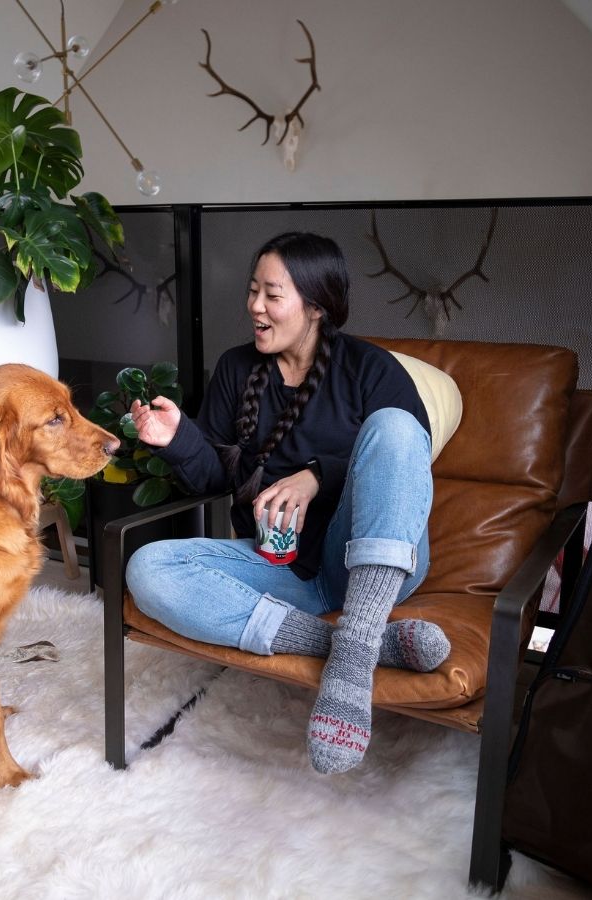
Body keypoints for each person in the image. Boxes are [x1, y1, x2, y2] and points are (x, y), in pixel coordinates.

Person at [126, 231, 458, 775]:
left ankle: (354, 648)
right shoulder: (237, 369)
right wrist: (178, 438)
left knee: (397, 427)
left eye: (272, 294)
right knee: (148, 567)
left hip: (367, 562)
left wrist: (316, 477)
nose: (255, 306)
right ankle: (358, 646)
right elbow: (214, 477)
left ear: (317, 306)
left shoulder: (371, 370)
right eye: (252, 290)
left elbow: (405, 464)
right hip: (281, 568)